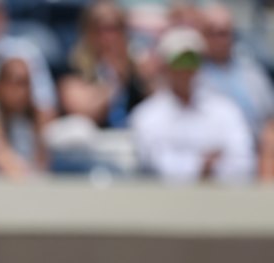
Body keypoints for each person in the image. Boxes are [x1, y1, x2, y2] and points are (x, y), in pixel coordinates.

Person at [130, 27, 255, 183]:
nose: (186, 69)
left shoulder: (226, 110)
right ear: (165, 66)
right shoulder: (146, 115)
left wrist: (199, 167)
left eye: (192, 61)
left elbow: (244, 162)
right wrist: (202, 165)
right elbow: (157, 165)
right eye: (179, 62)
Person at [197, 3, 274, 180]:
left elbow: (270, 119)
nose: (219, 39)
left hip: (257, 157)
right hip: (212, 160)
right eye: (212, 32)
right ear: (202, 35)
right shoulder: (191, 75)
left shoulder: (253, 74)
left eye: (224, 33)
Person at [59, 0, 149, 128]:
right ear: (87, 31)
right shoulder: (73, 66)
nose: (110, 37)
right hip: (96, 137)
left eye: (116, 28)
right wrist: (115, 80)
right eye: (102, 29)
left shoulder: (138, 65)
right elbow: (84, 112)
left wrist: (144, 77)